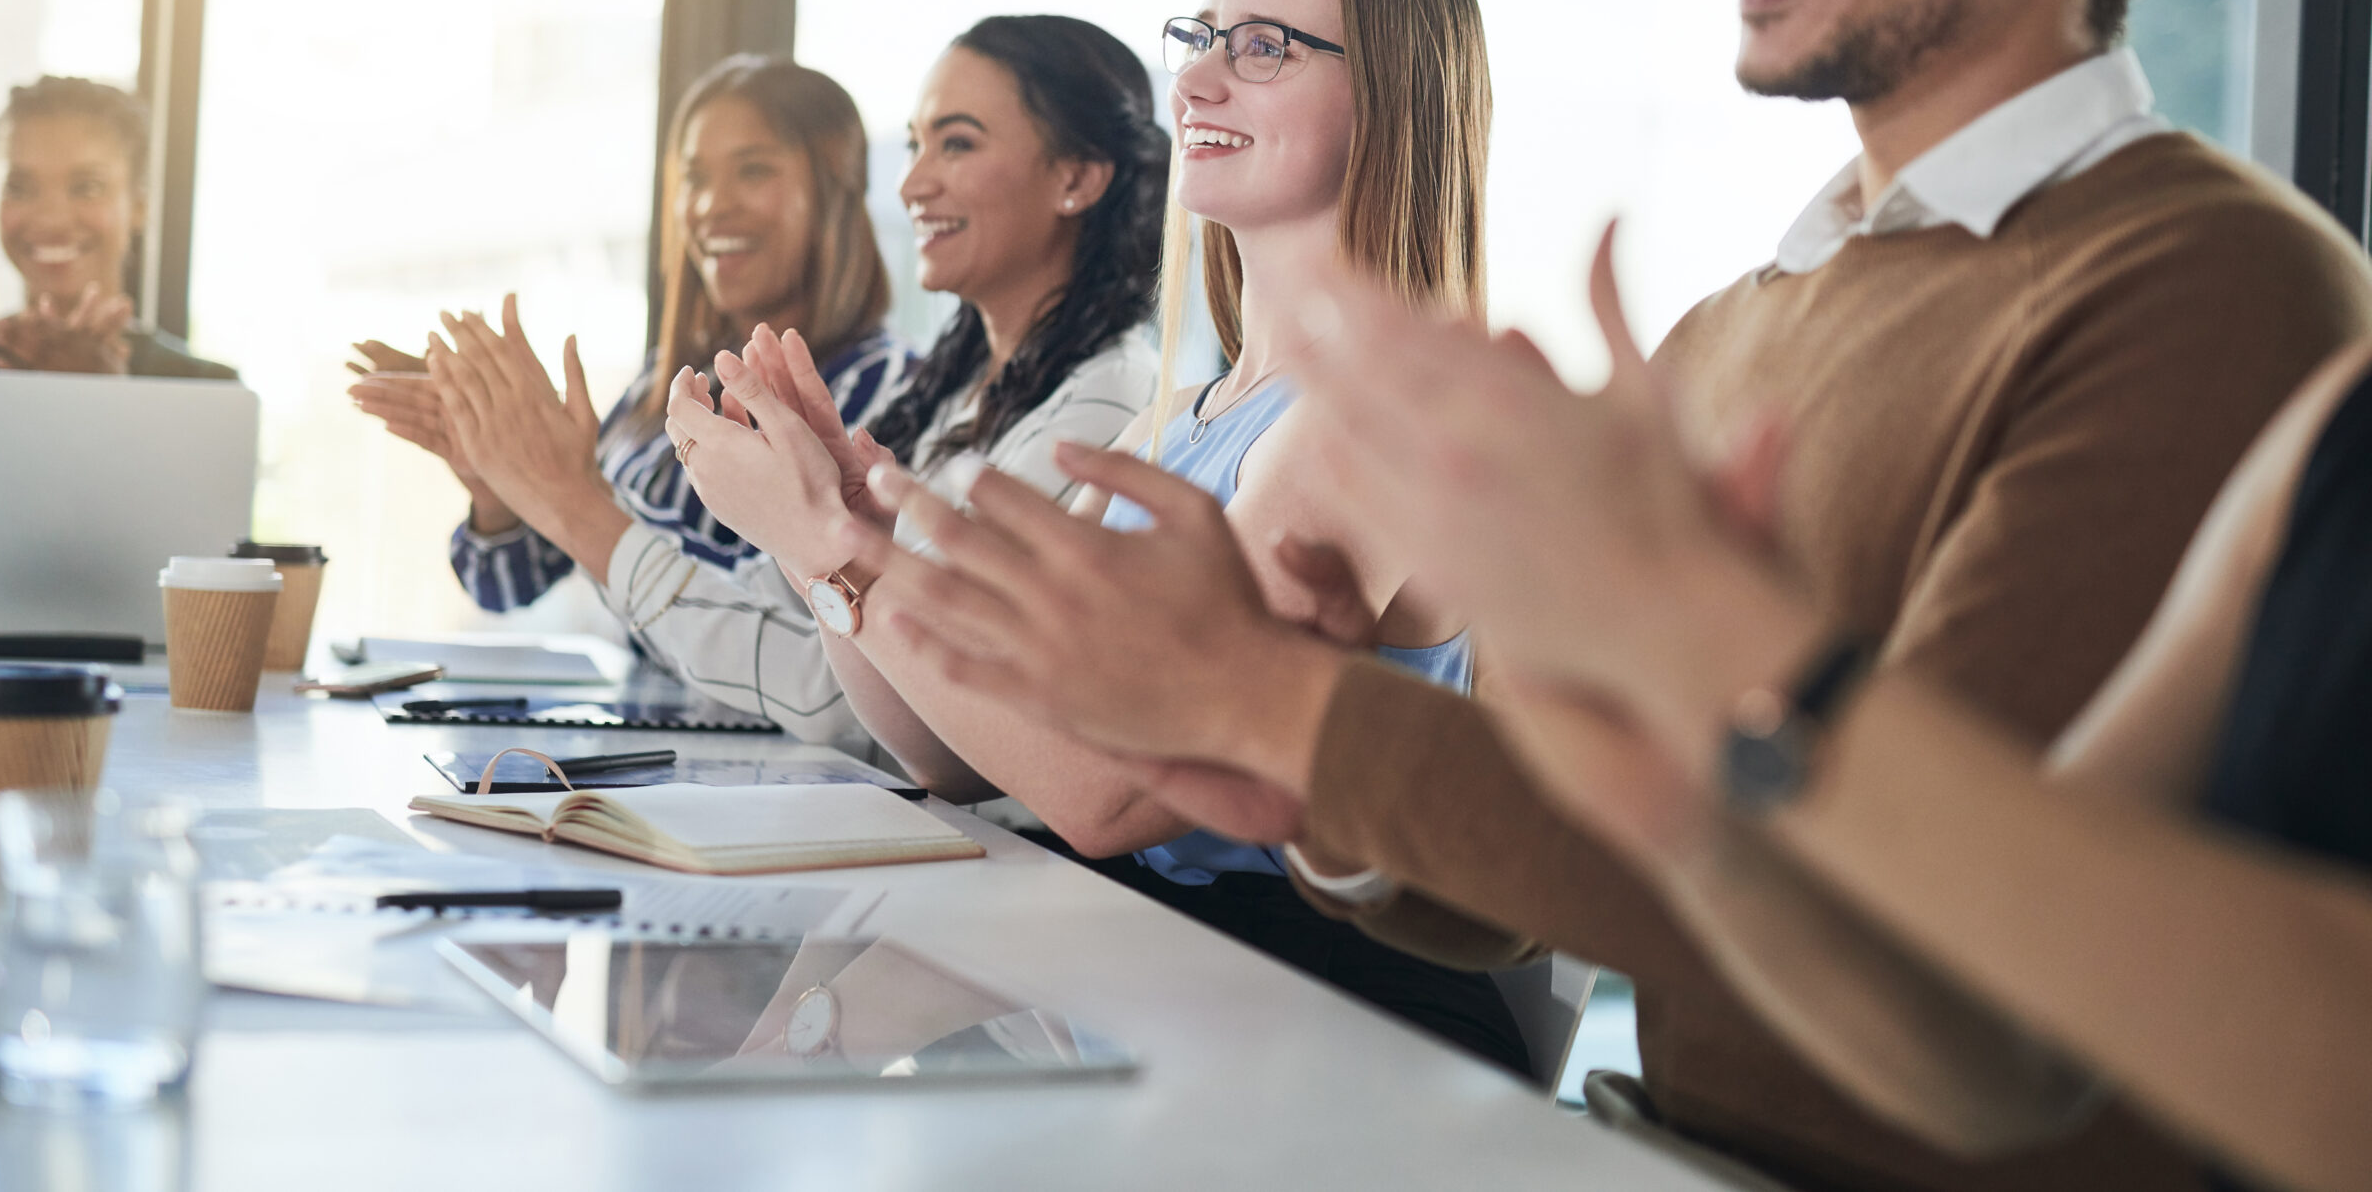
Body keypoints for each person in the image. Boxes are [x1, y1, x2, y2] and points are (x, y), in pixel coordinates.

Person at [843, 0, 2372, 1191]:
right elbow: (1555, 853)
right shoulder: (1741, 318)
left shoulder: (2203, 286)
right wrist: (1293, 733)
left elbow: (1976, 987)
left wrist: (1356, 704)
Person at [864, 260, 2372, 1192]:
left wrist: (1710, 650)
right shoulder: (2325, 426)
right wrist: (1673, 784)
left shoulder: (2229, 289)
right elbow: (1995, 1028)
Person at [723, 0, 1527, 1075]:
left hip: (1321, 1019)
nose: (1193, 76)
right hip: (1162, 972)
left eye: (1262, 47)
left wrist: (834, 544)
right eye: (1199, 36)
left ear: (1393, 99)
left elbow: (1105, 795)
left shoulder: (1372, 417)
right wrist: (826, 535)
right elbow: (962, 757)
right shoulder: (1186, 420)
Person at [425, 18, 1162, 754]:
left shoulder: (1098, 406)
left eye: (958, 142)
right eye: (915, 145)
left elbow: (850, 692)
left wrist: (573, 503)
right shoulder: (959, 395)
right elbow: (781, 608)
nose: (911, 182)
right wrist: (516, 486)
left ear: (1075, 177)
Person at [349, 56, 911, 738]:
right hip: (650, 741)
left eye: (753, 169)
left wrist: (573, 494)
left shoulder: (884, 392)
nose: (711, 205)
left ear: (836, 189)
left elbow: (775, 611)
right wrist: (500, 481)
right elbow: (511, 584)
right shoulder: (660, 384)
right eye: (694, 178)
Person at [0, 76, 235, 378]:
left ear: (138, 207)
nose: (51, 218)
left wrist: (113, 407)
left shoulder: (210, 393)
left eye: (87, 188)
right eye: (19, 188)